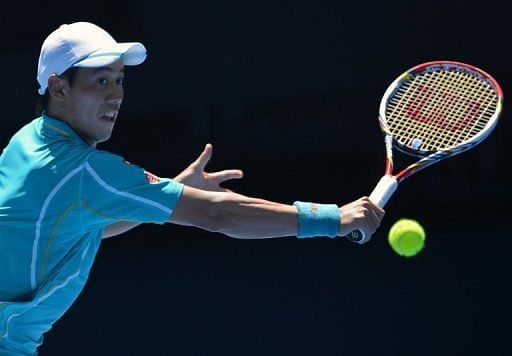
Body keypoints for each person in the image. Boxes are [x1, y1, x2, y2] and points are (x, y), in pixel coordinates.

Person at [0, 22, 384, 355]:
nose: (116, 96)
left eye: (119, 81)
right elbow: (218, 213)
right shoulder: (83, 172)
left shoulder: (27, 143)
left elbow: (79, 232)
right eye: (100, 81)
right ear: (58, 87)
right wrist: (332, 219)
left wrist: (168, 195)